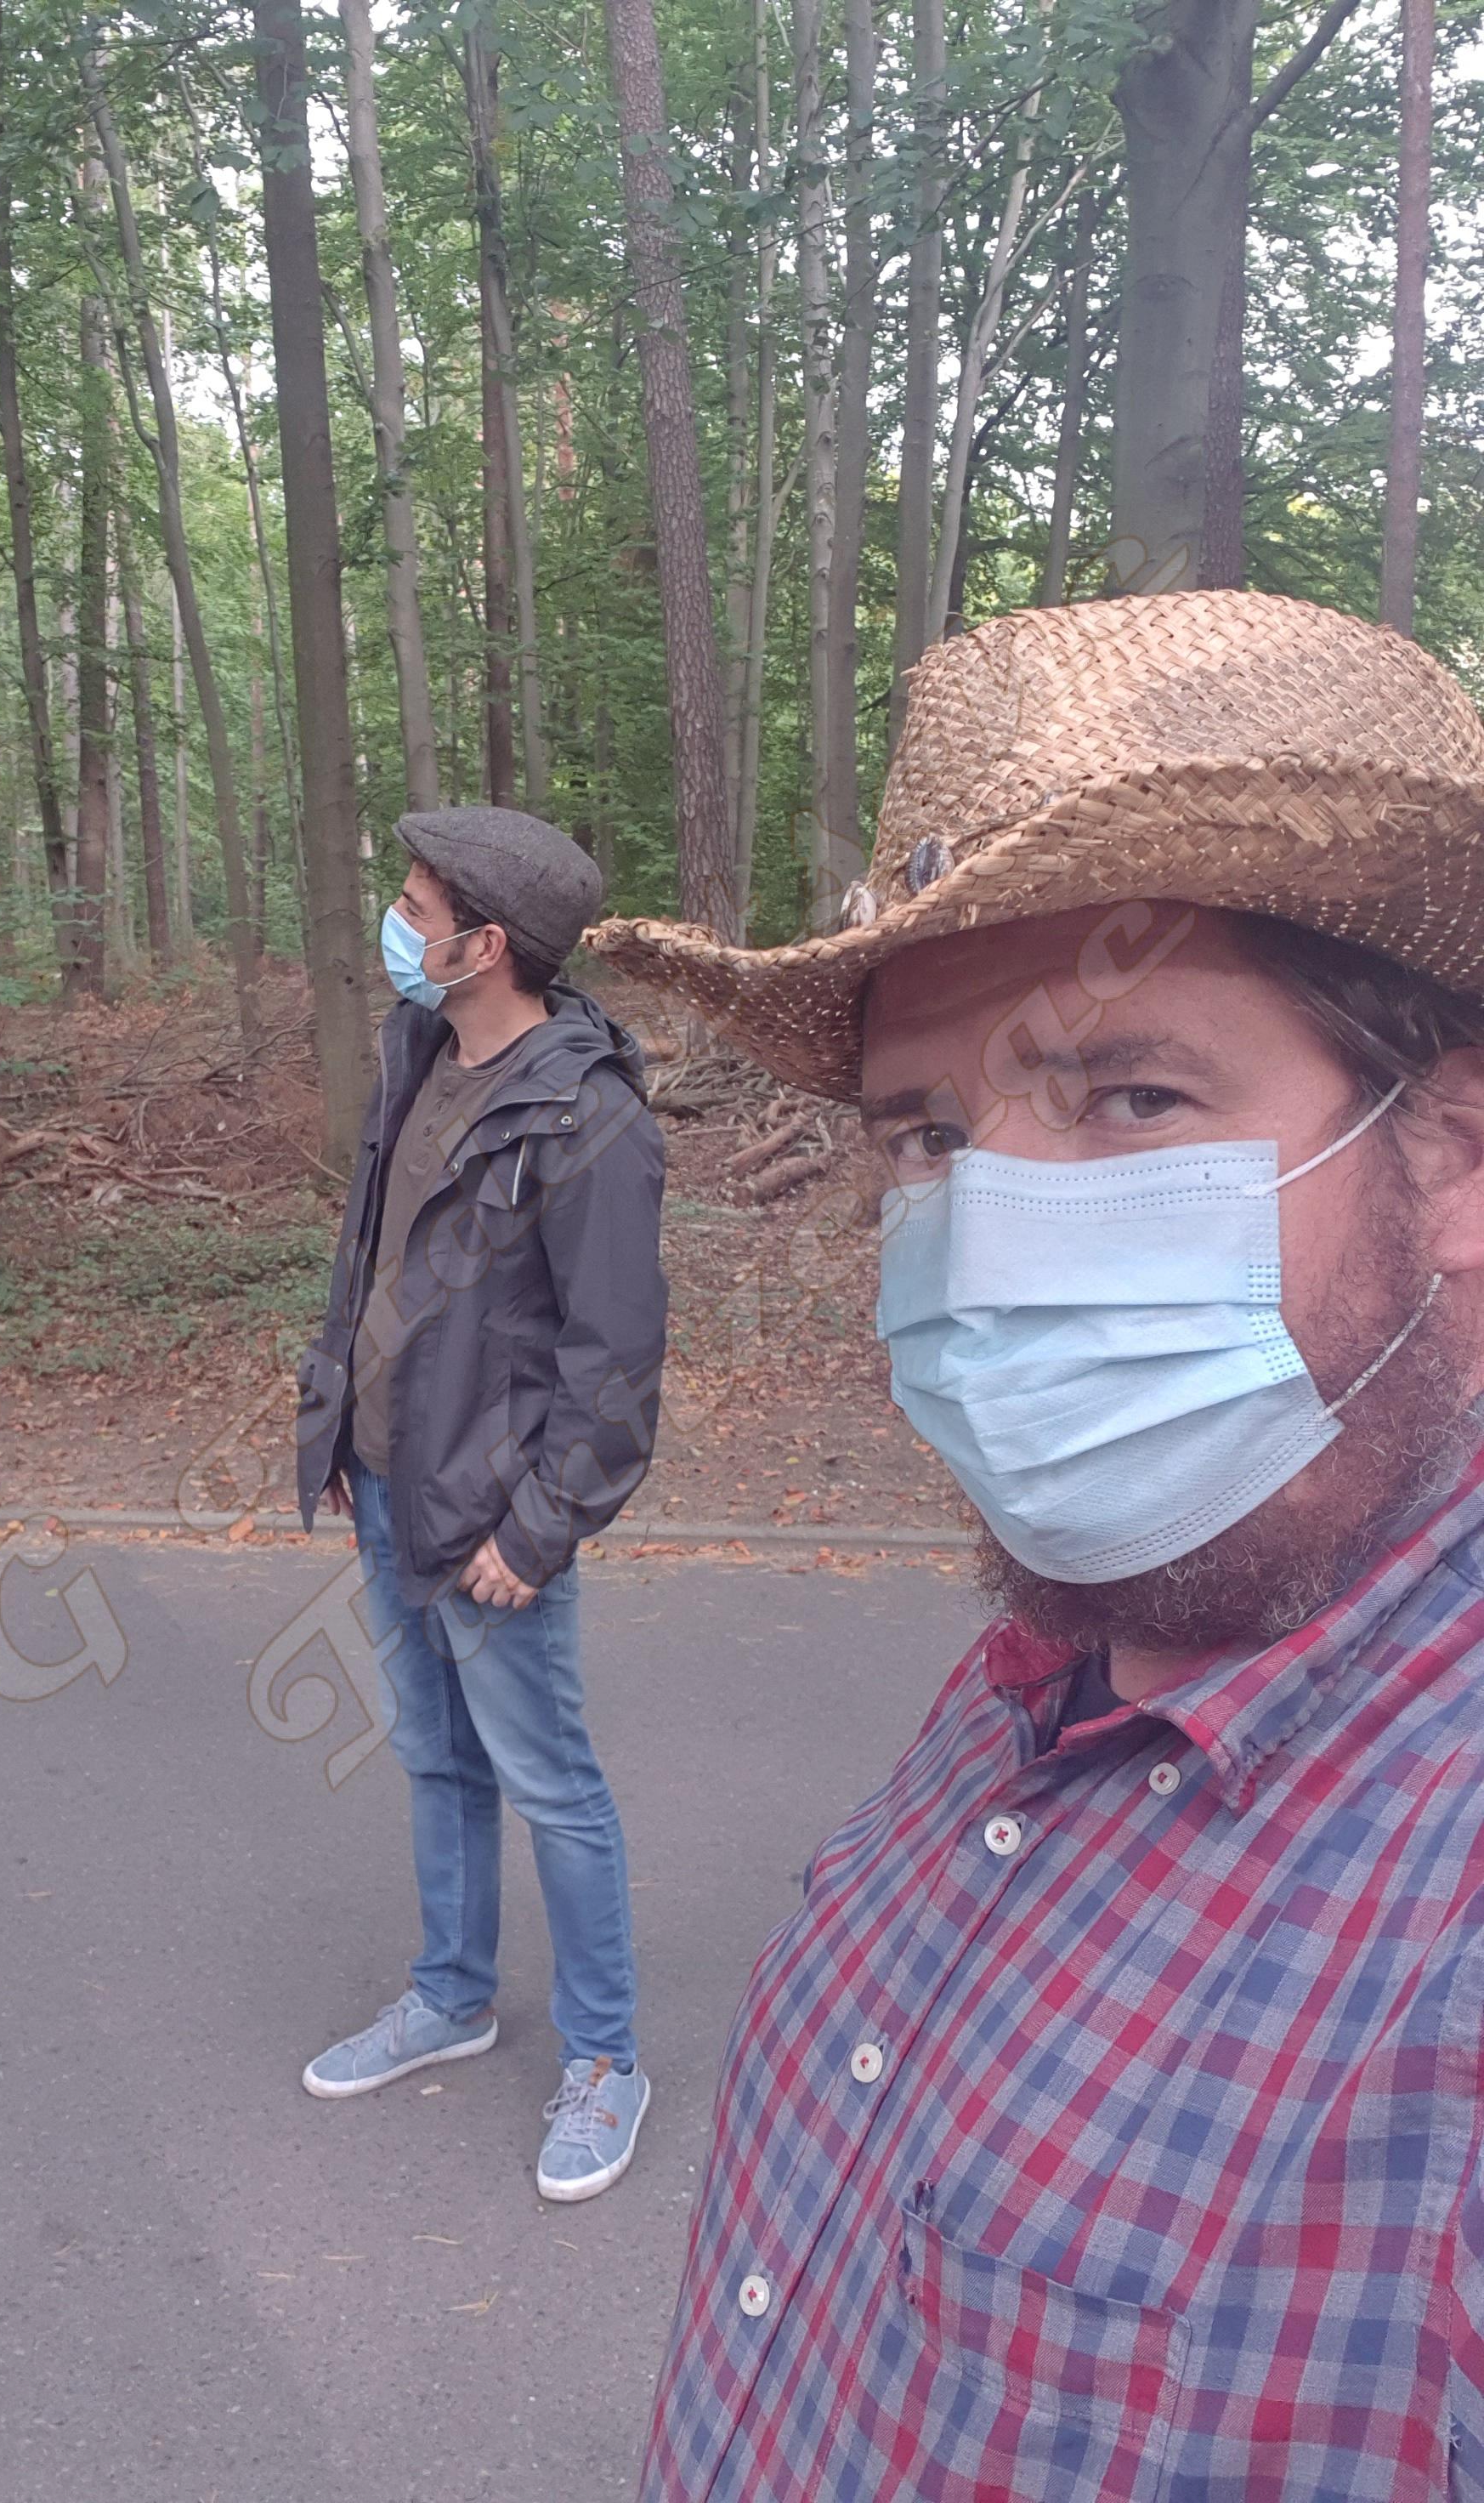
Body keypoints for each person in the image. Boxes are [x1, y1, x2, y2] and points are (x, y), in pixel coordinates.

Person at [591, 589, 1484, 2496]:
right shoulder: (1065, 1653)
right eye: (926, 1137)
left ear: (1456, 1158)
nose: (987, 1245)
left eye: (1134, 1096)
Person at [295, 805, 667, 2203]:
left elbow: (615, 1357)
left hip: (493, 1516)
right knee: (437, 1760)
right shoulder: (419, 1051)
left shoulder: (589, 1116)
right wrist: (336, 1415)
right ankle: (451, 1997)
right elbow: (368, 1255)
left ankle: (607, 2060)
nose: (397, 929)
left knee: (550, 1783)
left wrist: (541, 1524)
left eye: (416, 908)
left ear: (486, 943)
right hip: (389, 1479)